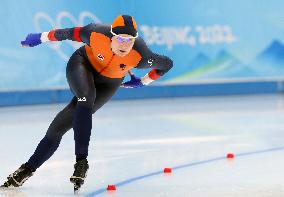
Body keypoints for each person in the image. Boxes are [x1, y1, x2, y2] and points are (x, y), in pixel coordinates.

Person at [1, 15, 173, 192]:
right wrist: (40, 37)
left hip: (110, 83)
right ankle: (81, 161)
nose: (125, 45)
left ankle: (26, 170)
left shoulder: (142, 56)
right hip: (82, 64)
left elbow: (167, 64)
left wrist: (144, 81)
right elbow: (66, 33)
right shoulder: (95, 33)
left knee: (58, 127)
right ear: (112, 36)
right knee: (86, 97)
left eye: (130, 41)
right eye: (121, 39)